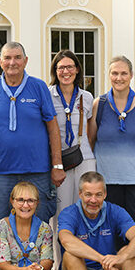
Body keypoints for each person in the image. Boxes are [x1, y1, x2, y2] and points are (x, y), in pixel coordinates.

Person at [0, 42, 63, 227]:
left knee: (39, 226)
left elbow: (53, 127)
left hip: (37, 171)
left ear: (25, 61)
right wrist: (2, 138)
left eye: (17, 57)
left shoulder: (38, 87)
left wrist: (57, 164)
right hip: (1, 172)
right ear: (0, 62)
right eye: (7, 58)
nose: (12, 62)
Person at [88, 55, 135, 225]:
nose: (119, 78)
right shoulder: (99, 104)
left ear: (131, 75)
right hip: (107, 181)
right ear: (109, 75)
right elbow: (90, 142)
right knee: (110, 231)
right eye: (114, 73)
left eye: (123, 73)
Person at [49, 51, 96, 224]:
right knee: (61, 213)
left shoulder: (87, 97)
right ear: (55, 71)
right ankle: (59, 252)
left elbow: (91, 132)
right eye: (61, 67)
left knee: (85, 208)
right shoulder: (48, 95)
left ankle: (83, 250)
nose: (65, 71)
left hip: (84, 159)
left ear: (77, 70)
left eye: (69, 67)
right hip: (59, 160)